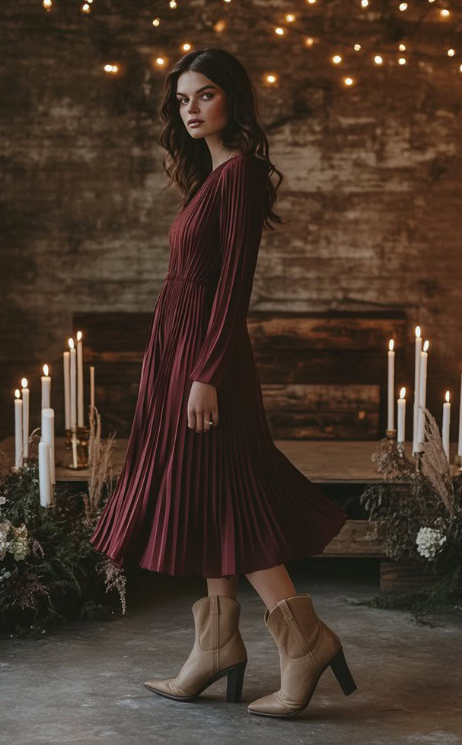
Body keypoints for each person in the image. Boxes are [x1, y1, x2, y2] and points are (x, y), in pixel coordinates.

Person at [89, 47, 357, 718]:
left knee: (231, 493)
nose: (191, 110)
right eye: (182, 100)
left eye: (204, 95)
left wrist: (205, 373)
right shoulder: (208, 179)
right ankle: (216, 647)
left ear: (232, 98)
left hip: (207, 361)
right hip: (182, 355)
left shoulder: (240, 176)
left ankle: (305, 644)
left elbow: (233, 285)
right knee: (210, 492)